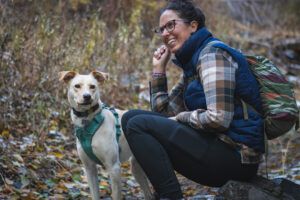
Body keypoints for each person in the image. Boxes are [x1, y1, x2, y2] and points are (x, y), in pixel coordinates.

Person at [121, 0, 265, 199]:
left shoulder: (212, 55)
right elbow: (164, 115)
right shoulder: (192, 63)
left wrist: (182, 118)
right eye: (161, 29)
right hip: (217, 148)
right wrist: (158, 71)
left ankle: (169, 196)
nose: (164, 34)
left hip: (237, 157)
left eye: (171, 25)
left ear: (193, 25)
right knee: (130, 118)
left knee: (137, 124)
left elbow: (219, 118)